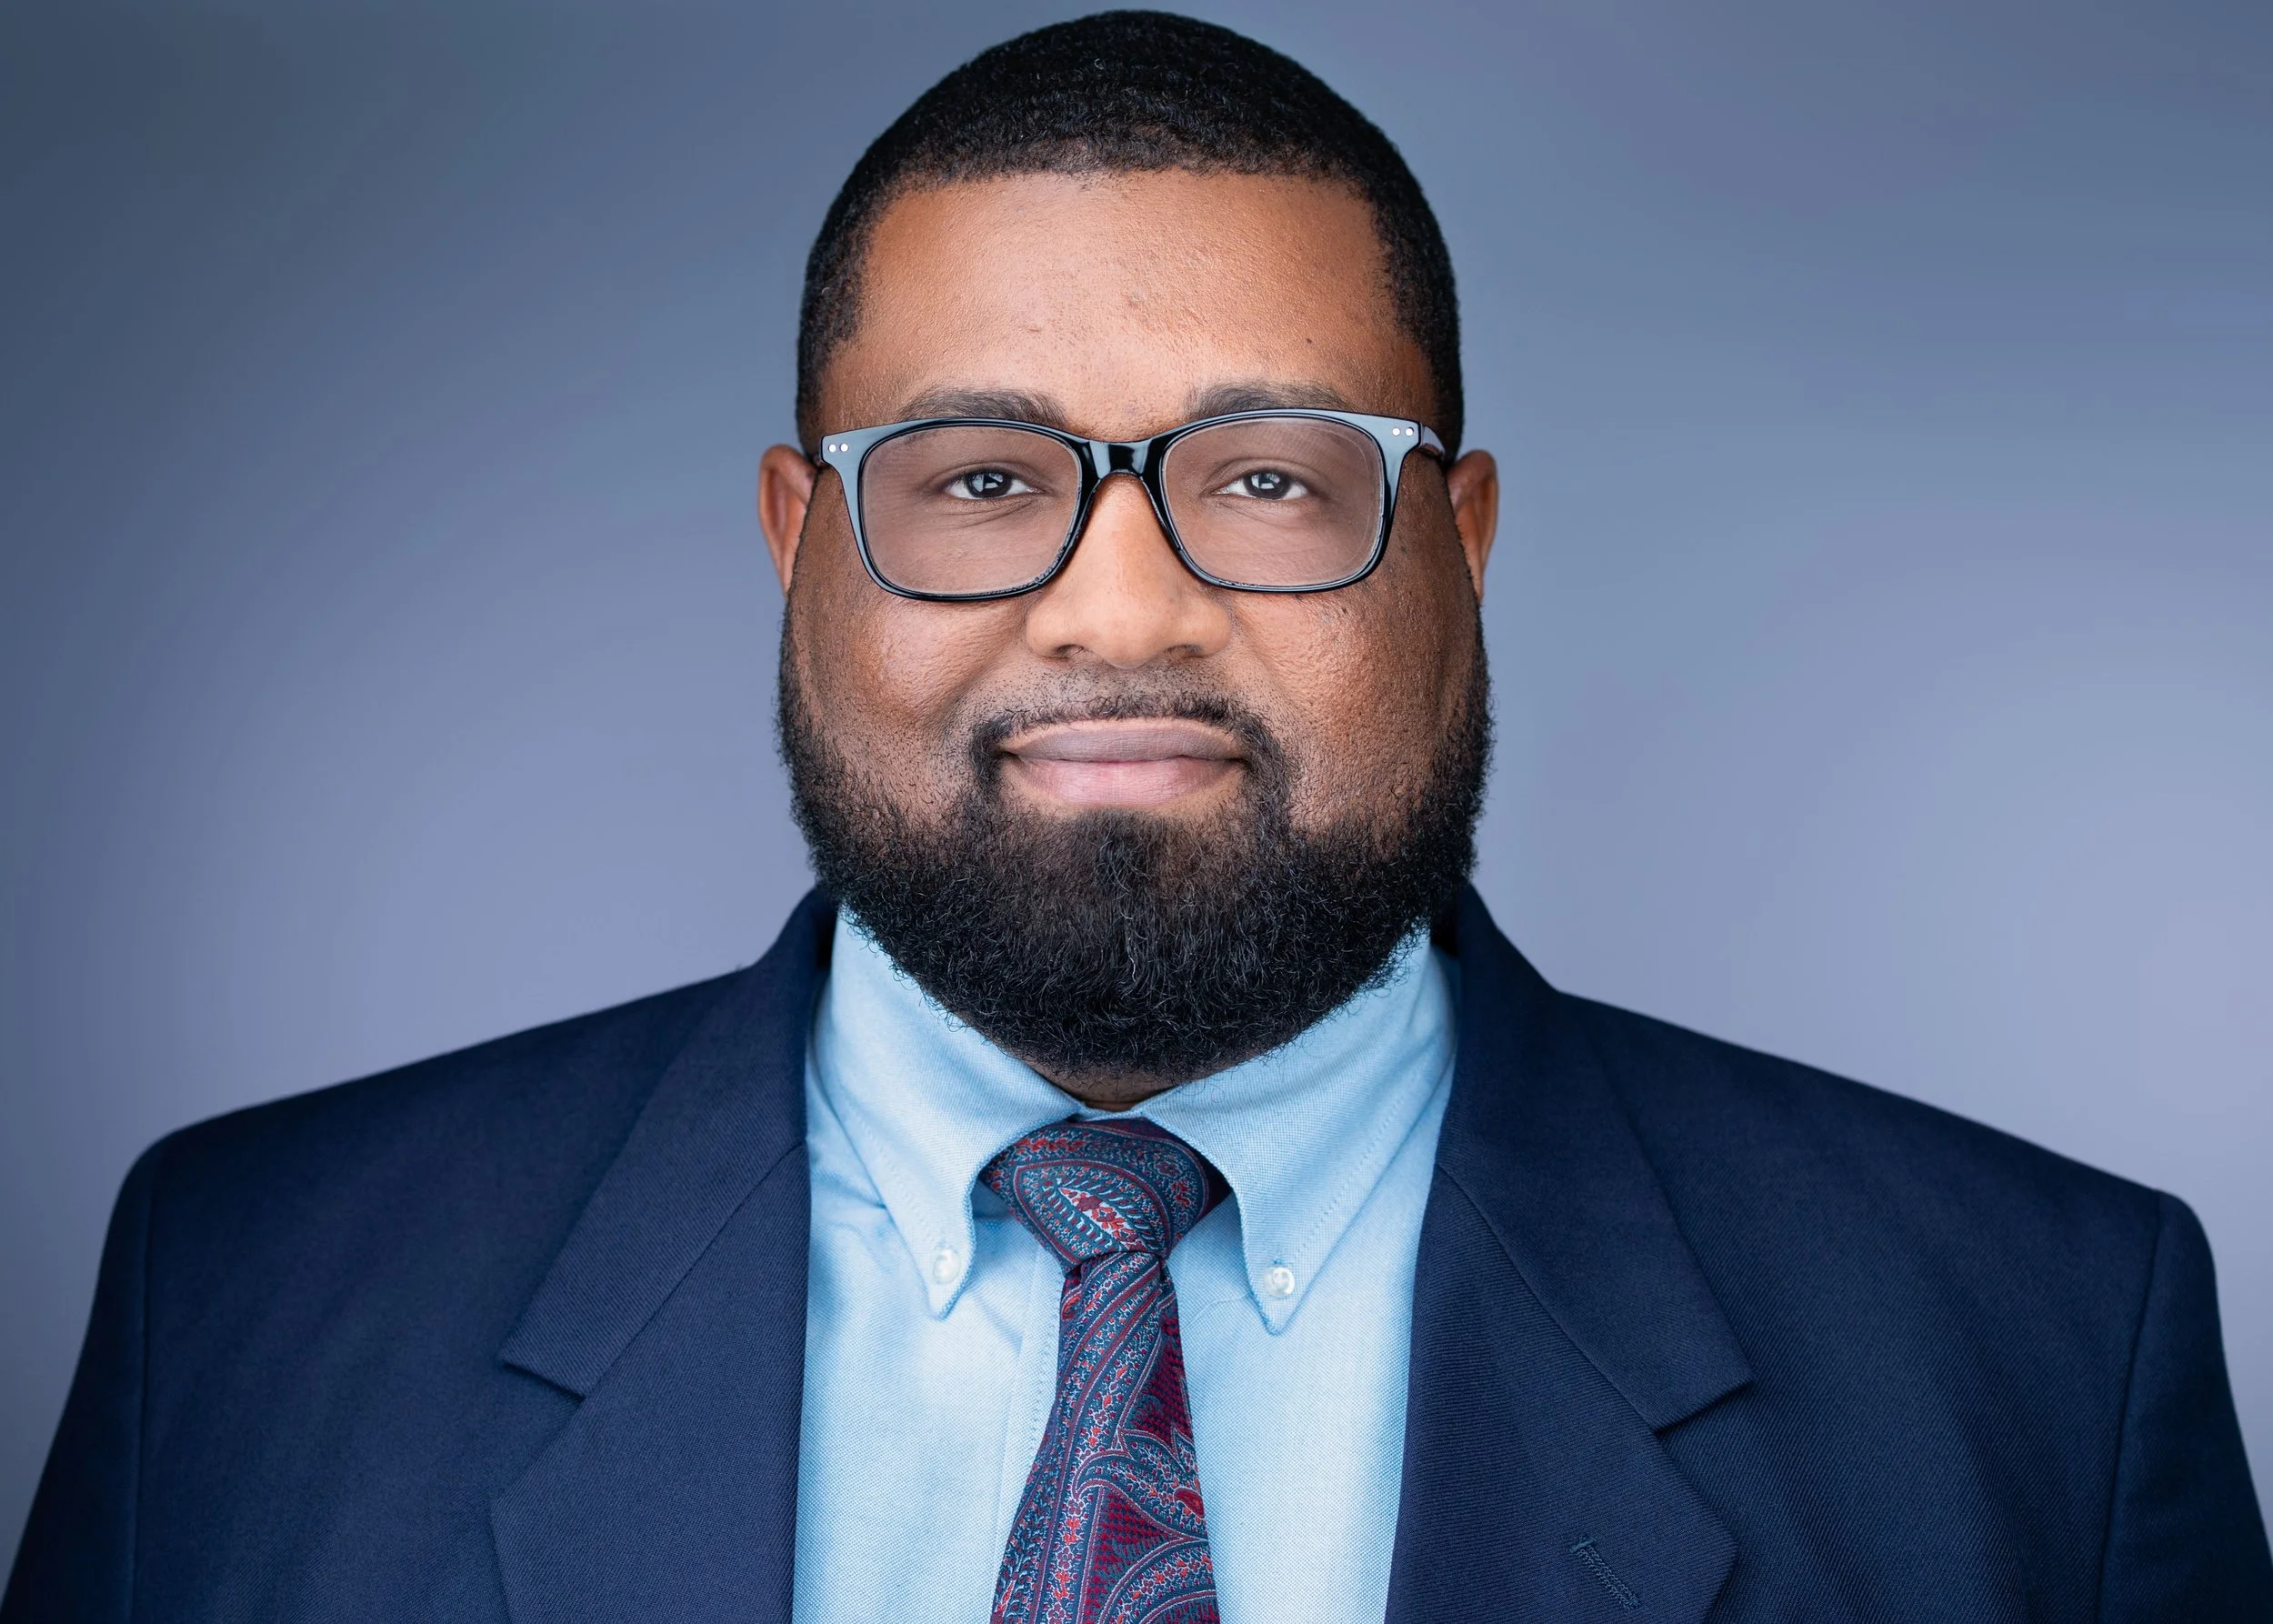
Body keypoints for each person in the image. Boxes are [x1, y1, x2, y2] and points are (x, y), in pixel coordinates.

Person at [6, 12, 2266, 1622]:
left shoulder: (2037, 1356)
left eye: (1268, 477)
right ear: (797, 541)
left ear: (1457, 541)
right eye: (979, 480)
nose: (1118, 603)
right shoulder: (250, 1293)